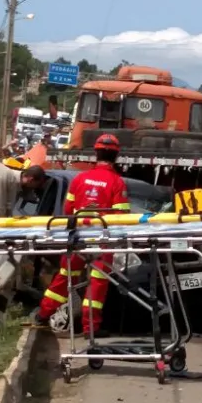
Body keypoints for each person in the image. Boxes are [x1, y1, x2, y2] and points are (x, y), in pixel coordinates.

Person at [29, 134, 131, 336]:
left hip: (78, 239)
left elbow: (68, 208)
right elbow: (121, 217)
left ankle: (42, 315)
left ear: (96, 153)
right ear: (116, 155)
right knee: (97, 283)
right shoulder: (117, 183)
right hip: (102, 240)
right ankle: (90, 328)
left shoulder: (80, 179)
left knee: (65, 277)